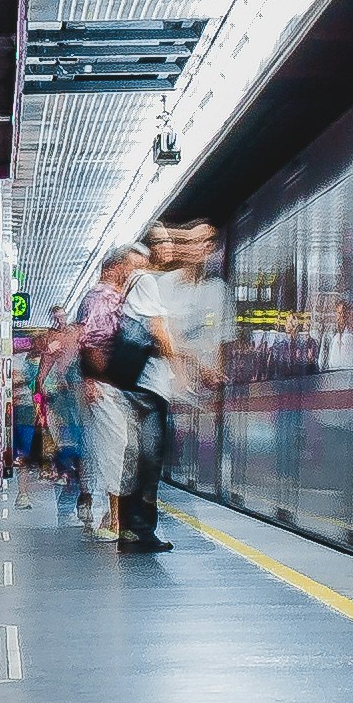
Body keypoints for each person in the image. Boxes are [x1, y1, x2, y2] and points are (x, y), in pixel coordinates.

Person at [108, 217, 229, 555]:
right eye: (160, 242)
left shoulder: (155, 283)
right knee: (146, 458)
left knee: (147, 458)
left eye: (169, 241)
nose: (168, 247)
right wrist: (184, 369)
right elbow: (162, 332)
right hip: (148, 385)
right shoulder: (150, 282)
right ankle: (138, 529)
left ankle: (137, 528)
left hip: (151, 386)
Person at [67, 252, 142, 534]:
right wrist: (95, 379)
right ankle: (113, 519)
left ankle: (114, 516)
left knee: (116, 449)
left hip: (110, 385)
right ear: (115, 268)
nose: (134, 274)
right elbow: (93, 341)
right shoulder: (103, 298)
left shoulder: (111, 298)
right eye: (131, 267)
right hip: (108, 386)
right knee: (116, 450)